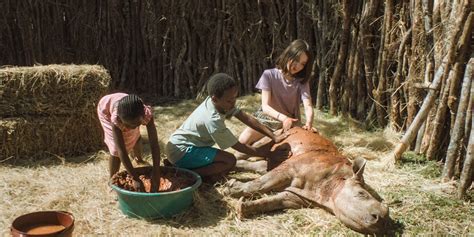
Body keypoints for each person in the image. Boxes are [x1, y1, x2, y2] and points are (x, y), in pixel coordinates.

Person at [165, 73, 289, 183]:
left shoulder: (221, 102)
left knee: (223, 161)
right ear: (215, 99)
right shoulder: (213, 120)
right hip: (182, 151)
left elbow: (246, 118)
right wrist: (268, 154)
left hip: (187, 146)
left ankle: (187, 167)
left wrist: (273, 136)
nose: (234, 102)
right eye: (230, 100)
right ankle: (187, 174)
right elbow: (238, 146)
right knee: (229, 161)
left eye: (235, 97)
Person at [238, 39, 315, 147]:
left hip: (291, 122)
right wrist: (283, 118)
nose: (297, 66)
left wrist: (309, 123)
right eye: (296, 59)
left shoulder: (302, 82)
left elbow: (308, 105)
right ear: (289, 54)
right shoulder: (269, 75)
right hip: (267, 119)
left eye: (302, 64)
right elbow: (265, 106)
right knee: (242, 141)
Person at [97, 93, 161, 192]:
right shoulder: (116, 120)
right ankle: (112, 181)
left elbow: (154, 144)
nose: (132, 127)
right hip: (106, 110)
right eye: (129, 124)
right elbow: (121, 150)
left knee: (134, 135)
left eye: (137, 124)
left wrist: (156, 172)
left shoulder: (145, 114)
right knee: (115, 150)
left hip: (128, 109)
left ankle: (138, 159)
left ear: (142, 116)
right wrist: (135, 178)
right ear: (120, 119)